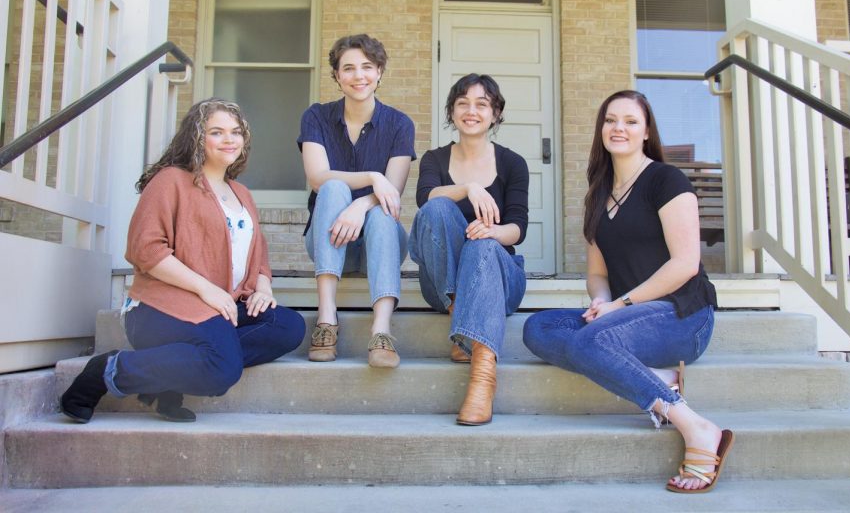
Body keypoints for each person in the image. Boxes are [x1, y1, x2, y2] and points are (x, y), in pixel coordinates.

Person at [522, 90, 733, 493]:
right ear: (601, 128)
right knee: (538, 328)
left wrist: (619, 305)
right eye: (611, 120)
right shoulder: (598, 194)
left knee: (587, 343)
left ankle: (698, 428)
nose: (619, 128)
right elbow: (597, 273)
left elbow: (685, 264)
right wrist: (602, 300)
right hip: (624, 319)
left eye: (630, 121)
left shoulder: (665, 180)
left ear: (646, 131)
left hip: (682, 316)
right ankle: (658, 378)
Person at [60, 98, 305, 423]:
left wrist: (263, 288)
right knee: (221, 369)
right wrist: (208, 290)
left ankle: (166, 379)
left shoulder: (240, 193)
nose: (229, 139)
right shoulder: (171, 181)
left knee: (287, 326)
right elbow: (145, 249)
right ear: (197, 137)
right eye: (217, 132)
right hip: (162, 311)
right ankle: (107, 370)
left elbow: (257, 249)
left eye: (236, 132)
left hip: (220, 308)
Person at [409, 73, 528, 426]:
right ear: (452, 111)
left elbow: (517, 228)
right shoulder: (433, 159)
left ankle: (482, 375)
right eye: (463, 103)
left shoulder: (512, 163)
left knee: (481, 245)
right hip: (443, 289)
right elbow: (425, 200)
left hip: (500, 280)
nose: (471, 111)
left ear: (495, 113)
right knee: (437, 209)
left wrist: (492, 232)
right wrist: (468, 187)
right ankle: (463, 322)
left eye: (482, 104)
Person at [298, 34, 415, 368]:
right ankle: (326, 320)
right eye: (348, 68)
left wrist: (361, 204)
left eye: (367, 66)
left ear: (379, 72)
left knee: (379, 213)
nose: (358, 75)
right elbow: (318, 177)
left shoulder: (399, 124)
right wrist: (371, 178)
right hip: (328, 240)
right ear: (336, 76)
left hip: (380, 243)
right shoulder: (316, 117)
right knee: (332, 188)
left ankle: (381, 331)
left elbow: (391, 194)